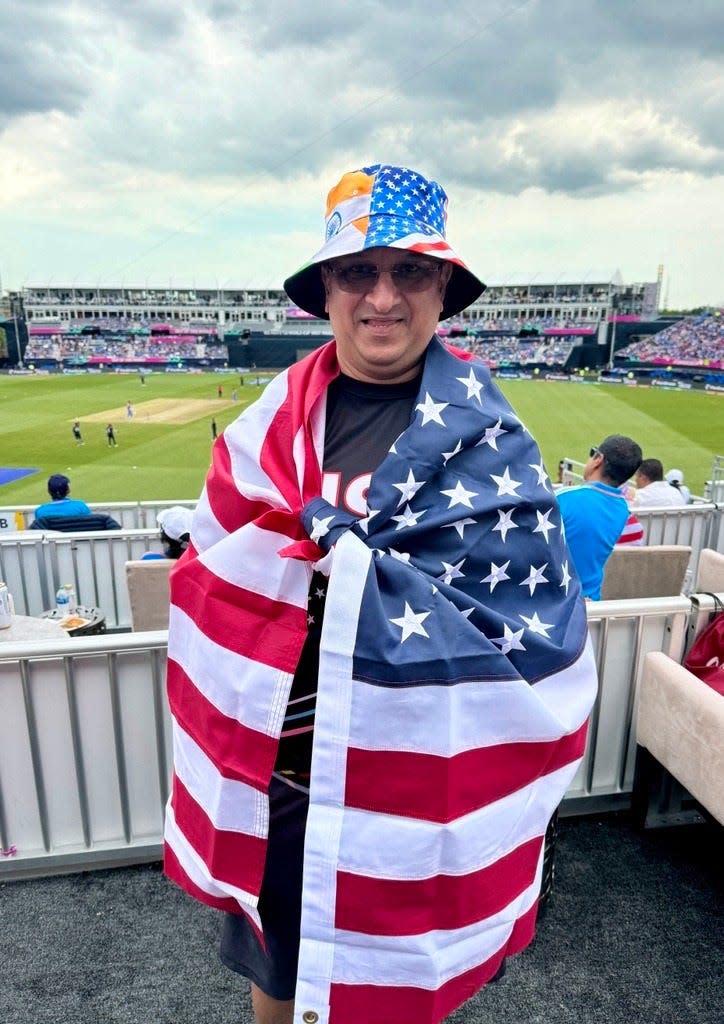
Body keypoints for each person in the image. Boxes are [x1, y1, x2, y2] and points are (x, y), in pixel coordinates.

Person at [163, 163, 598, 1024]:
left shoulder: (493, 442)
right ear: (327, 288)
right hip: (285, 770)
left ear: (444, 288)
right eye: (358, 271)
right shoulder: (270, 427)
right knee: (278, 965)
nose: (384, 298)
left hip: (419, 775)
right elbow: (215, 570)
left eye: (410, 272)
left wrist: (352, 562)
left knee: (402, 978)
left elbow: (535, 625)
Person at [557, 435, 643, 599]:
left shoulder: (564, 497)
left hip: (555, 603)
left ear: (598, 459)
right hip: (590, 602)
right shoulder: (623, 510)